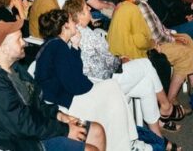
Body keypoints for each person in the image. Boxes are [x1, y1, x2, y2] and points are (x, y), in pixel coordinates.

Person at [0, 20, 106, 151]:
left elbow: (37, 103)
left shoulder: (15, 69)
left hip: (36, 128)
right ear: (4, 49)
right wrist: (65, 129)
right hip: (18, 141)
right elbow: (21, 124)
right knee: (89, 149)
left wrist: (59, 115)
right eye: (18, 39)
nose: (24, 43)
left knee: (97, 131)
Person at [65, 0, 183, 137]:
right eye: (86, 8)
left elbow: (102, 59)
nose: (89, 8)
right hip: (103, 84)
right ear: (79, 15)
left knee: (146, 85)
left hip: (104, 78)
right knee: (146, 64)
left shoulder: (81, 31)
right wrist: (120, 60)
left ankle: (157, 135)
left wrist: (118, 58)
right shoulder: (85, 36)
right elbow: (106, 65)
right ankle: (166, 106)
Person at [35, 9, 141, 150]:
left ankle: (124, 144)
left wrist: (75, 46)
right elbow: (77, 85)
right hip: (60, 105)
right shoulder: (58, 47)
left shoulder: (55, 45)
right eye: (72, 21)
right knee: (111, 88)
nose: (76, 24)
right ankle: (125, 144)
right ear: (65, 26)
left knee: (111, 89)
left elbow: (74, 76)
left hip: (61, 98)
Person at [108, 0, 193, 104]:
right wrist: (153, 44)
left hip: (124, 55)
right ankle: (169, 101)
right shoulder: (133, 8)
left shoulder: (123, 6)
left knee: (186, 39)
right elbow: (141, 40)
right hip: (136, 56)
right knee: (185, 53)